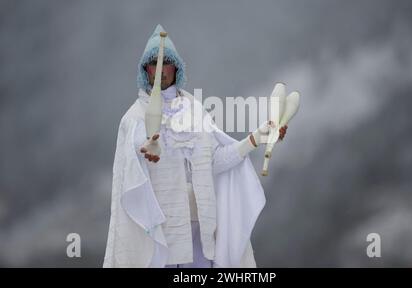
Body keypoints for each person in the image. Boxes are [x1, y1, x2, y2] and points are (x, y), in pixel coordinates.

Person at [103, 24, 287, 268]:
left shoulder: (195, 110)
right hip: (161, 240)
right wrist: (146, 150)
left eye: (166, 62)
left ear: (176, 66)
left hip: (201, 232)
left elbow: (213, 162)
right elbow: (131, 173)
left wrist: (254, 139)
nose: (160, 69)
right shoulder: (134, 118)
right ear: (144, 69)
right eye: (153, 63)